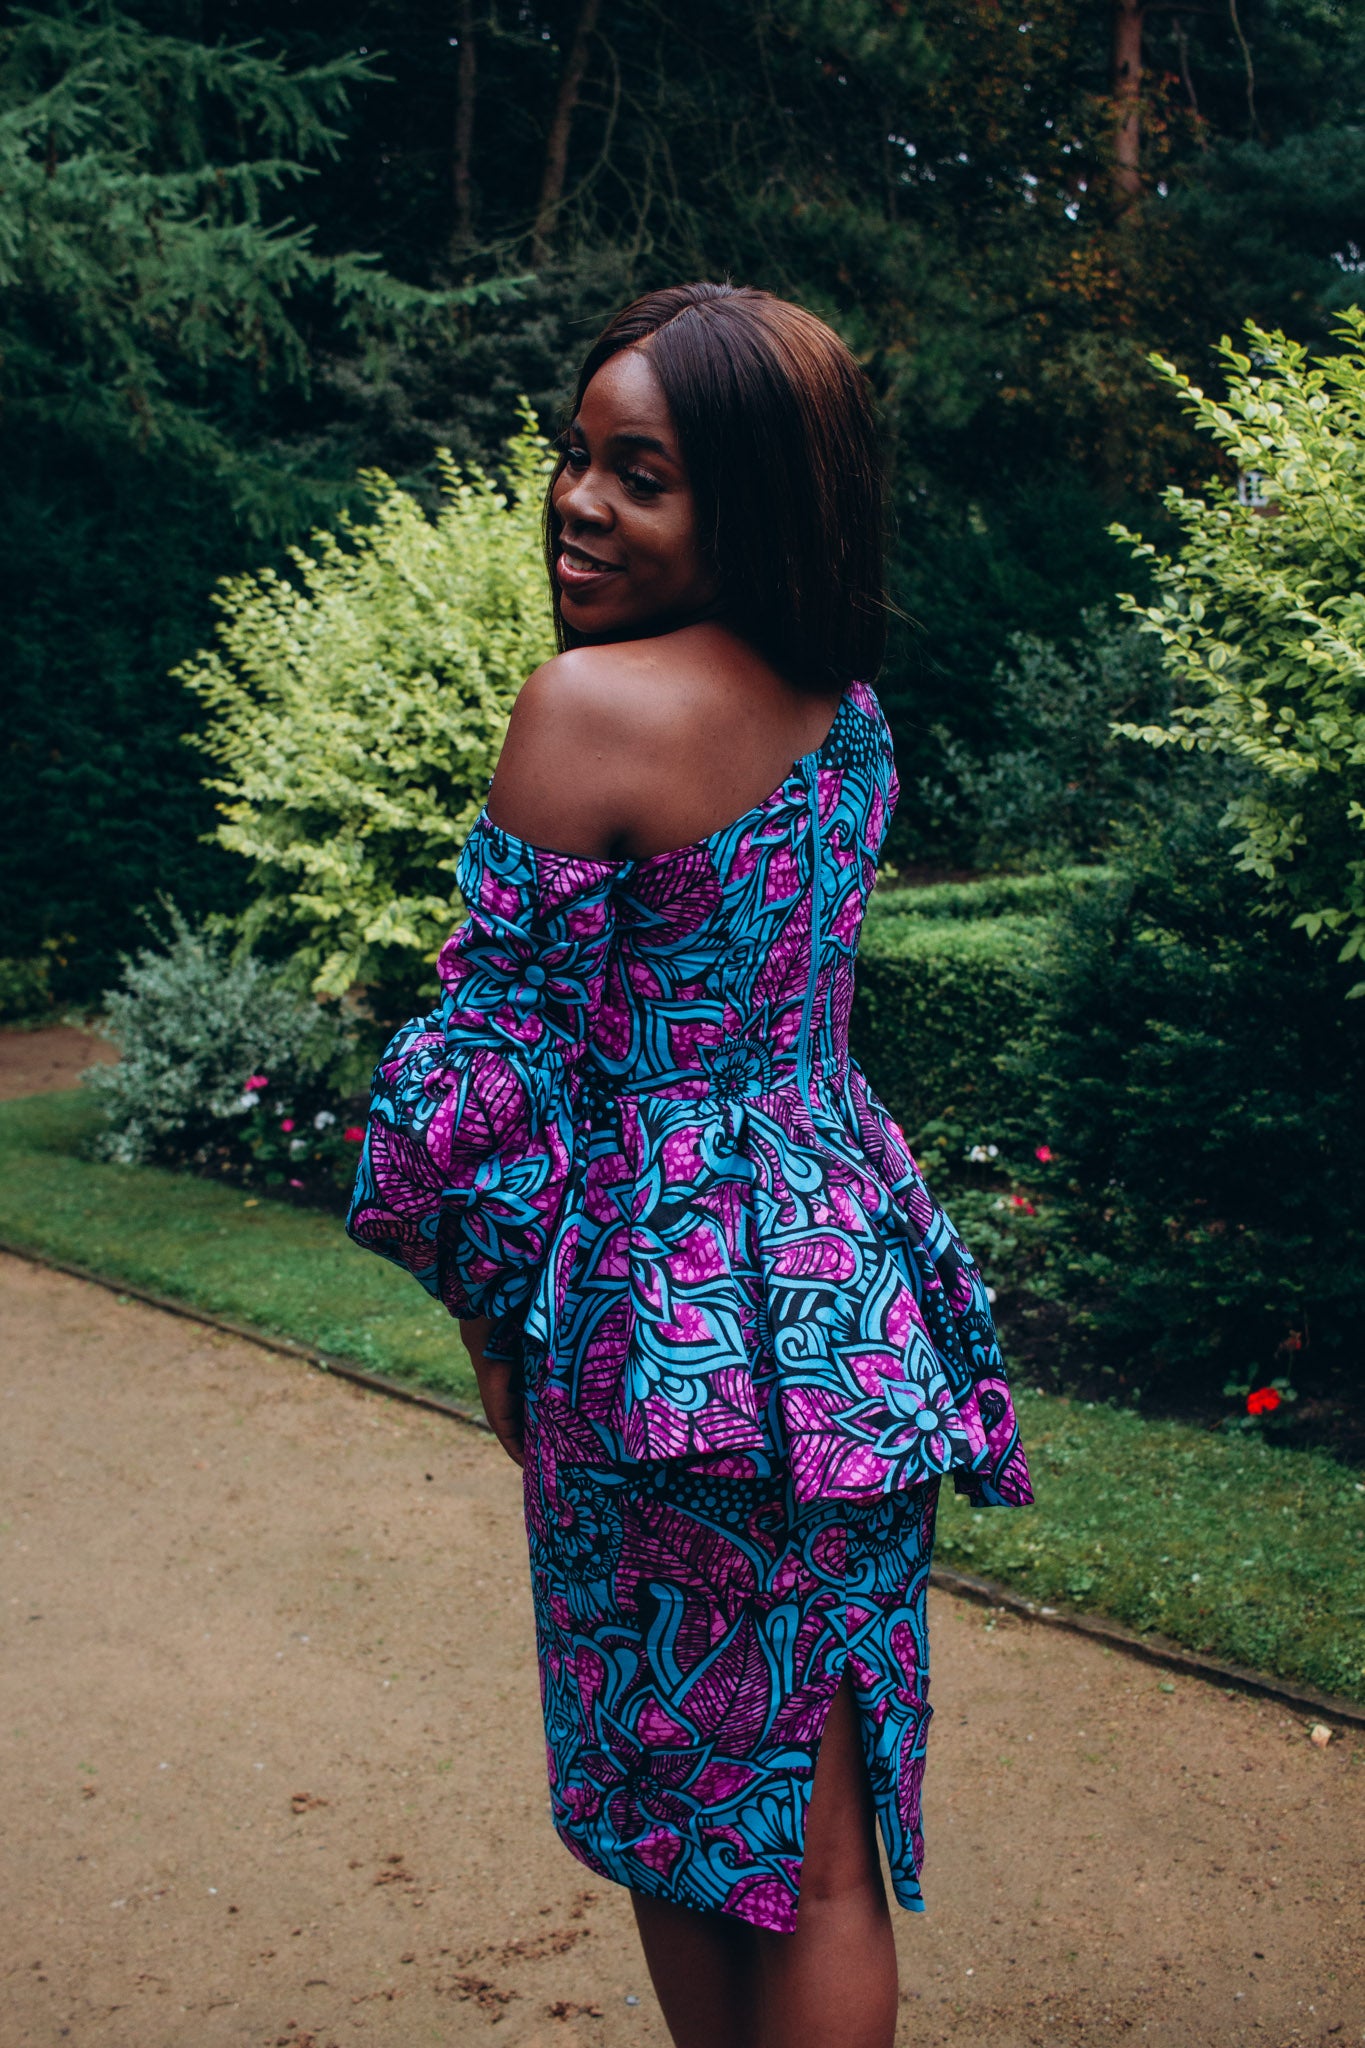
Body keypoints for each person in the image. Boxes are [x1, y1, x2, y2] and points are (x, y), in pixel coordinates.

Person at [347, 281, 1032, 2048]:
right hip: (851, 1312)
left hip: (660, 1339)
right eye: (575, 455)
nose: (577, 502)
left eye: (637, 475)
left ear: (754, 497)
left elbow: (476, 1095)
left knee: (677, 1807)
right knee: (820, 1849)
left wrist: (493, 1329)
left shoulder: (586, 707)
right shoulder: (847, 715)